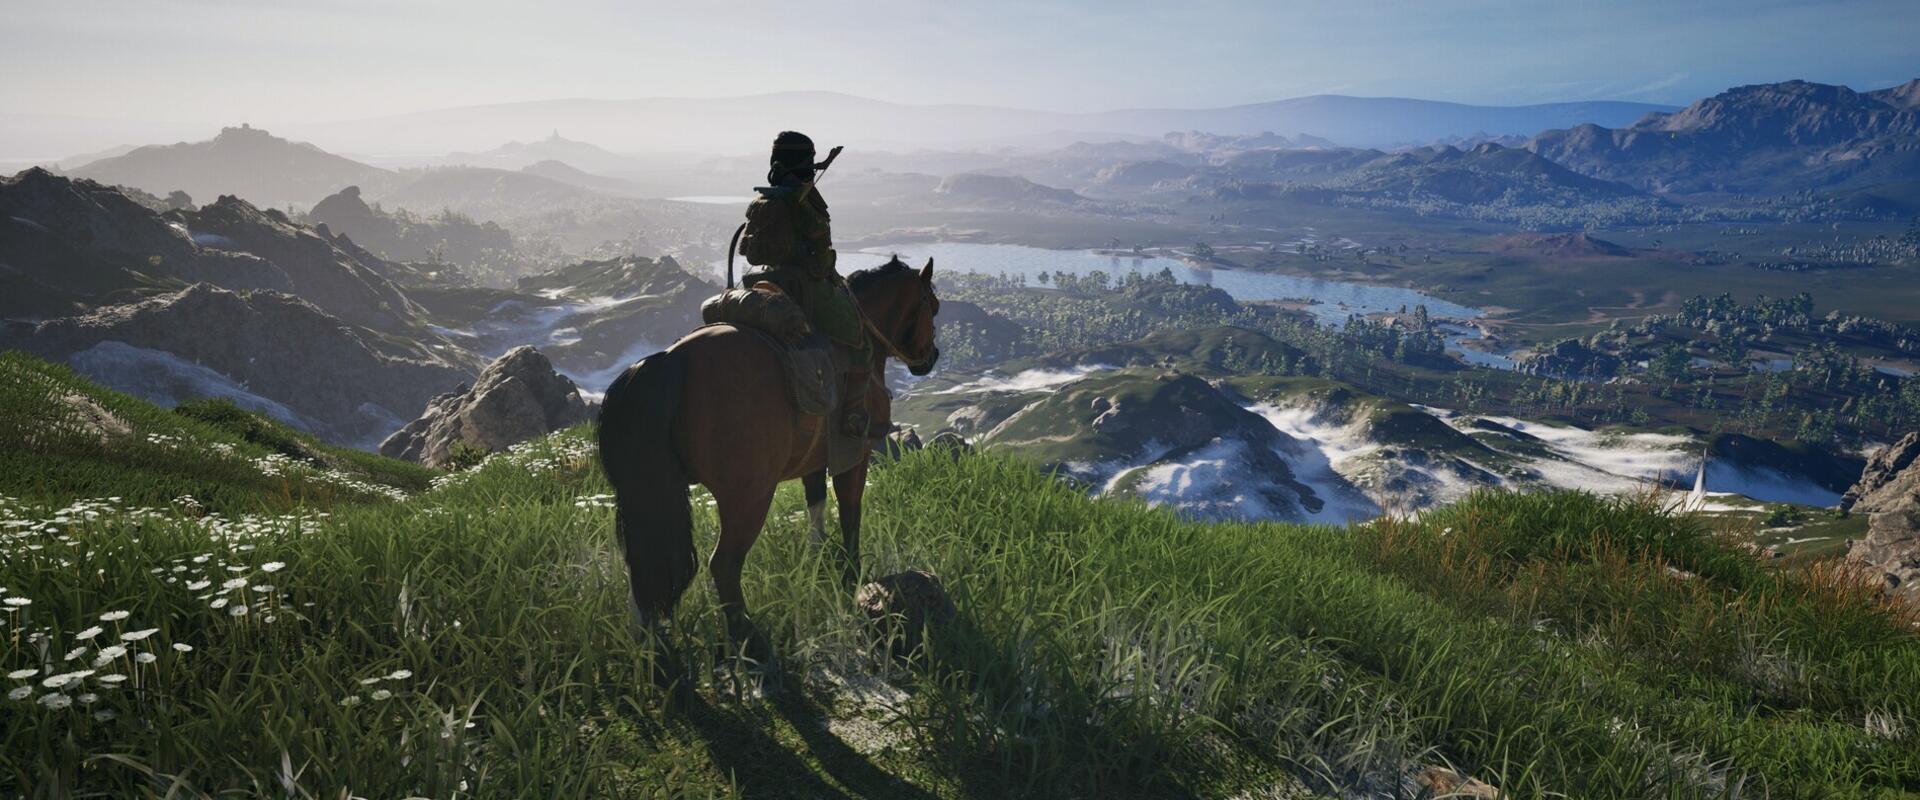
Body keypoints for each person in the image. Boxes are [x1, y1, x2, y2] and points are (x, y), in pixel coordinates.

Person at [737, 131, 874, 437]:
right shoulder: (801, 203)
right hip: (802, 288)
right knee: (861, 342)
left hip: (762, 282)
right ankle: (853, 415)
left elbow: (748, 251)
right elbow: (821, 250)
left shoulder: (761, 200)